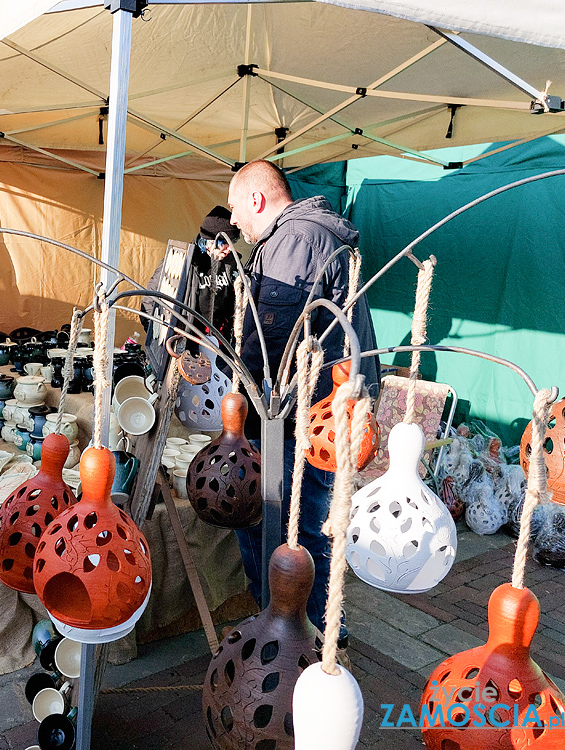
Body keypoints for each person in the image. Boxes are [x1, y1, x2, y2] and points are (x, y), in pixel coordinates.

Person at [226, 160, 378, 637]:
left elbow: (270, 344)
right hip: (319, 408)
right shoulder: (302, 235)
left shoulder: (295, 240)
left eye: (234, 209)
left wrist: (234, 402)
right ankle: (303, 623)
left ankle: (301, 629)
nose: (232, 221)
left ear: (256, 199)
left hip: (310, 413)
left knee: (288, 519)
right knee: (301, 519)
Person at [141, 205, 242, 345]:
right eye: (226, 243)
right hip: (185, 341)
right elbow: (150, 301)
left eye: (234, 242)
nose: (230, 248)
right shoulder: (181, 261)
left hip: (219, 343)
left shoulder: (232, 264)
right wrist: (162, 342)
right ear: (211, 240)